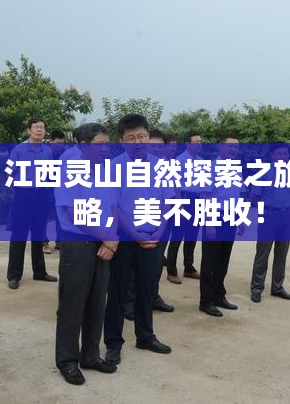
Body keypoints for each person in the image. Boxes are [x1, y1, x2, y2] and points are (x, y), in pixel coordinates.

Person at [104, 114, 173, 366]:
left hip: (153, 238)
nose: (137, 141)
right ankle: (113, 343)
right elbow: (113, 207)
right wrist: (134, 235)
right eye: (131, 138)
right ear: (122, 141)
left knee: (147, 290)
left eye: (141, 136)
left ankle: (145, 336)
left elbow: (167, 201)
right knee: (117, 293)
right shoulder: (113, 167)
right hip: (123, 239)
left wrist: (160, 229)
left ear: (148, 136)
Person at [54, 123, 118, 385]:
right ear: (83, 146)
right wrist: (107, 237)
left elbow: (113, 206)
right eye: (99, 144)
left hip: (104, 242)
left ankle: (90, 355)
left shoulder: (106, 169)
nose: (105, 149)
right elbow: (73, 213)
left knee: (97, 301)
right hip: (79, 242)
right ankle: (67, 361)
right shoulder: (69, 167)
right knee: (73, 303)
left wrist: (111, 238)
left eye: (107, 144)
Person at [123, 130, 174, 320]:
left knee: (156, 263)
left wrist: (163, 224)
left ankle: (152, 296)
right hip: (135, 224)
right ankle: (129, 303)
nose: (157, 149)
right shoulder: (126, 166)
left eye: (160, 146)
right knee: (133, 268)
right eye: (153, 145)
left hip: (161, 222)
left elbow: (170, 195)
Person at [6, 117, 57, 289]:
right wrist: (16, 191)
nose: (39, 130)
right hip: (23, 195)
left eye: (42, 127)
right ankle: (14, 276)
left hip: (41, 196)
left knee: (39, 235)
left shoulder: (47, 151)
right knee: (19, 235)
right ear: (29, 130)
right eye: (36, 127)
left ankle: (40, 272)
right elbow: (8, 173)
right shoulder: (18, 150)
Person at [199, 134, 244, 317]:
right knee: (209, 262)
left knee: (223, 260)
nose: (233, 150)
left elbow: (237, 196)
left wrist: (240, 218)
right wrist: (209, 223)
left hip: (231, 217)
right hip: (214, 216)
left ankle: (219, 296)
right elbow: (204, 196)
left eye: (236, 147)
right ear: (221, 147)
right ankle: (206, 301)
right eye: (230, 146)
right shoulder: (210, 168)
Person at [250, 143, 290, 303]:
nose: (283, 157)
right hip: (268, 214)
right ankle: (257, 288)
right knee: (263, 251)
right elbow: (254, 196)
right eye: (279, 154)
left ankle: (277, 287)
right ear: (272, 155)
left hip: (287, 215)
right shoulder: (264, 171)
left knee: (282, 252)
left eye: (285, 154)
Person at [165, 131, 203, 284]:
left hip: (196, 200)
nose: (199, 144)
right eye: (196, 141)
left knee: (192, 235)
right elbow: (174, 184)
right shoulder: (179, 160)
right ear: (187, 144)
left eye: (200, 141)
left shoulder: (201, 161)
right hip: (183, 199)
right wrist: (178, 203)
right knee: (177, 235)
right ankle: (171, 270)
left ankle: (189, 267)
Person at [42, 129, 66, 254]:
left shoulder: (63, 154)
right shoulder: (45, 153)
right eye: (58, 143)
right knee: (43, 216)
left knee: (60, 215)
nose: (60, 145)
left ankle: (60, 241)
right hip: (46, 189)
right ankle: (43, 242)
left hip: (59, 190)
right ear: (51, 141)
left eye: (62, 143)